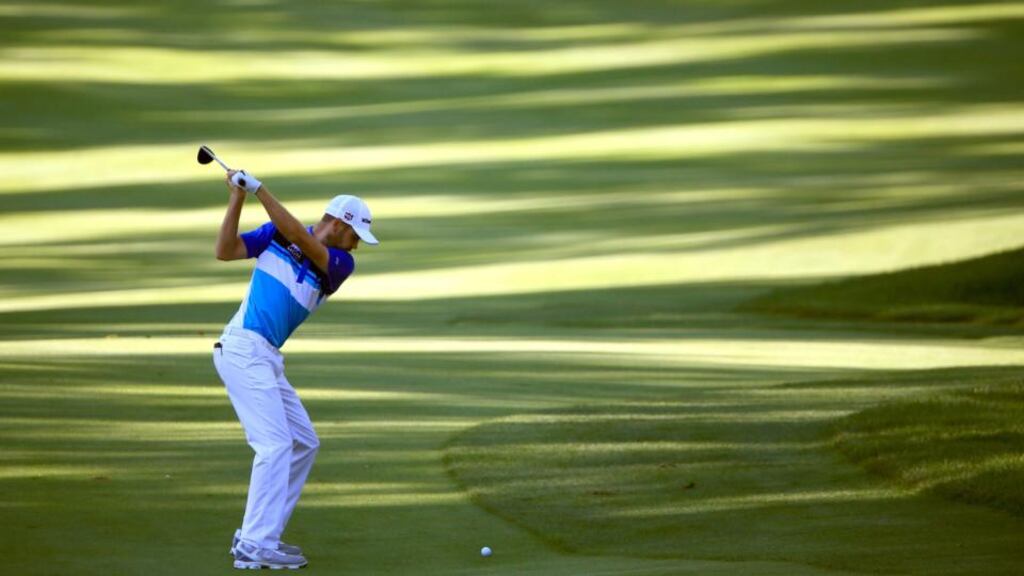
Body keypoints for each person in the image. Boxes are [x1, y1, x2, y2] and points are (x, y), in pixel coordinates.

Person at [212, 168, 378, 570]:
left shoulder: (340, 263)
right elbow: (226, 250)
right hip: (242, 349)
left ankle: (263, 536)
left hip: (265, 357)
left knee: (303, 442)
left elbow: (303, 239)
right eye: (356, 235)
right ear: (339, 225)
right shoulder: (277, 233)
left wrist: (260, 191)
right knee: (274, 446)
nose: (357, 245)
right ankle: (254, 543)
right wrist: (237, 196)